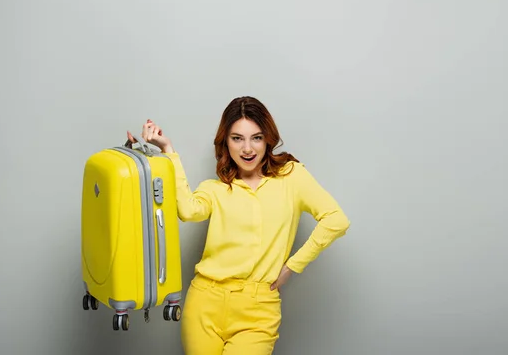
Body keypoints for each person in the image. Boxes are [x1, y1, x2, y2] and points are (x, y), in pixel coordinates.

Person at [126, 96, 350, 355]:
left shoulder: (292, 176)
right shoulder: (215, 189)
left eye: (256, 137)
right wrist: (168, 150)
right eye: (237, 138)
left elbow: (336, 220)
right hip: (204, 304)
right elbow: (187, 210)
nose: (247, 148)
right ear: (225, 142)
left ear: (268, 139)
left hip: (258, 310)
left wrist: (292, 266)